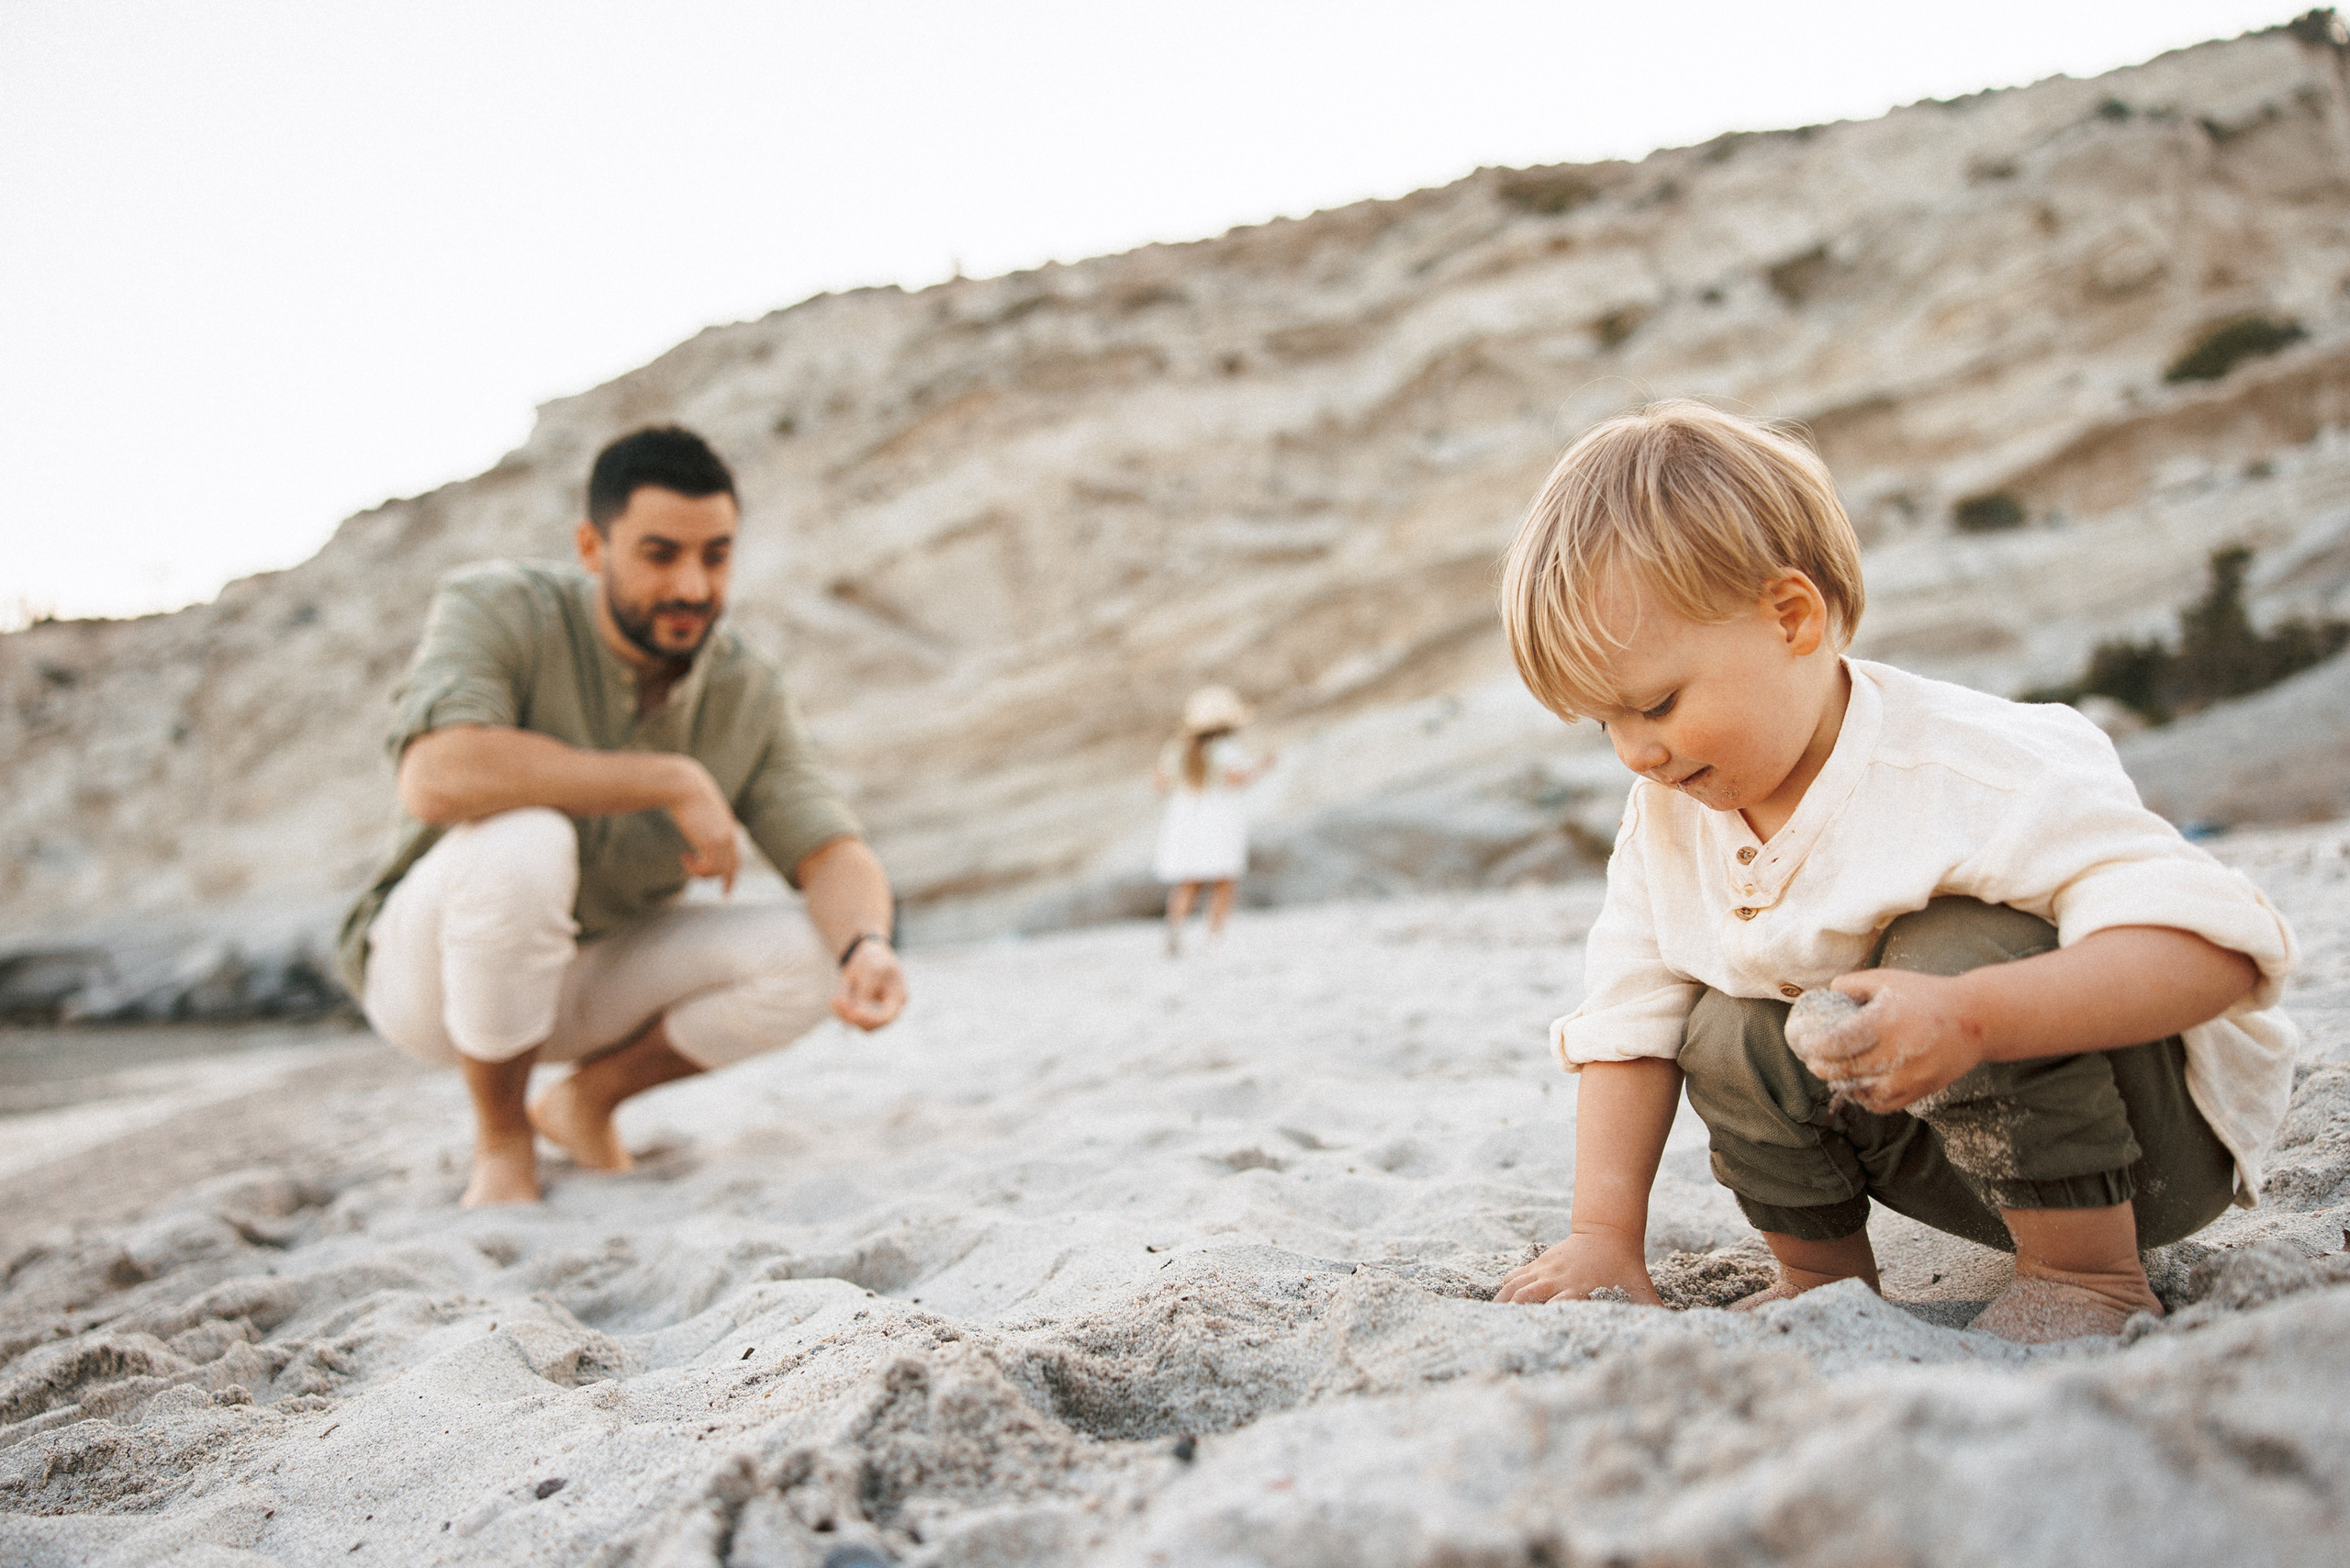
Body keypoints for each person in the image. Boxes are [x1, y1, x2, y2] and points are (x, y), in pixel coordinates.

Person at [1488, 400, 2299, 1341]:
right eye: (1604, 724)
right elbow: (1628, 1027)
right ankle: (1823, 1279)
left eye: (1658, 704)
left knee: (1947, 947)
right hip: (1954, 1168)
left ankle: (2088, 1275)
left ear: (1791, 616)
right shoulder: (1667, 820)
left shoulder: (1970, 765)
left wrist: (1971, 1015)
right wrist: (1602, 1235)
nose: (1636, 753)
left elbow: (2222, 955)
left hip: (2147, 1156)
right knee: (1721, 1025)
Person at [336, 425, 908, 1208]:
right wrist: (665, 779)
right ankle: (503, 1143)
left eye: (716, 555)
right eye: (660, 554)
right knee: (524, 840)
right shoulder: (499, 606)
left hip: (594, 976)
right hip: (433, 977)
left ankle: (584, 1102)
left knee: (818, 952)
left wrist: (868, 944)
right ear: (591, 547)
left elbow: (828, 850)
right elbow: (436, 776)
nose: (694, 588)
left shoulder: (744, 688)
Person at [1151, 686, 1274, 956]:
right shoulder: (1226, 749)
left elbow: (1160, 784)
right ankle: (1214, 938)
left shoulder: (1176, 750)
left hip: (1185, 818)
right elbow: (1235, 780)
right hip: (1218, 818)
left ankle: (1174, 928)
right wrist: (1262, 767)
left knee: (1189, 881)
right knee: (1223, 880)